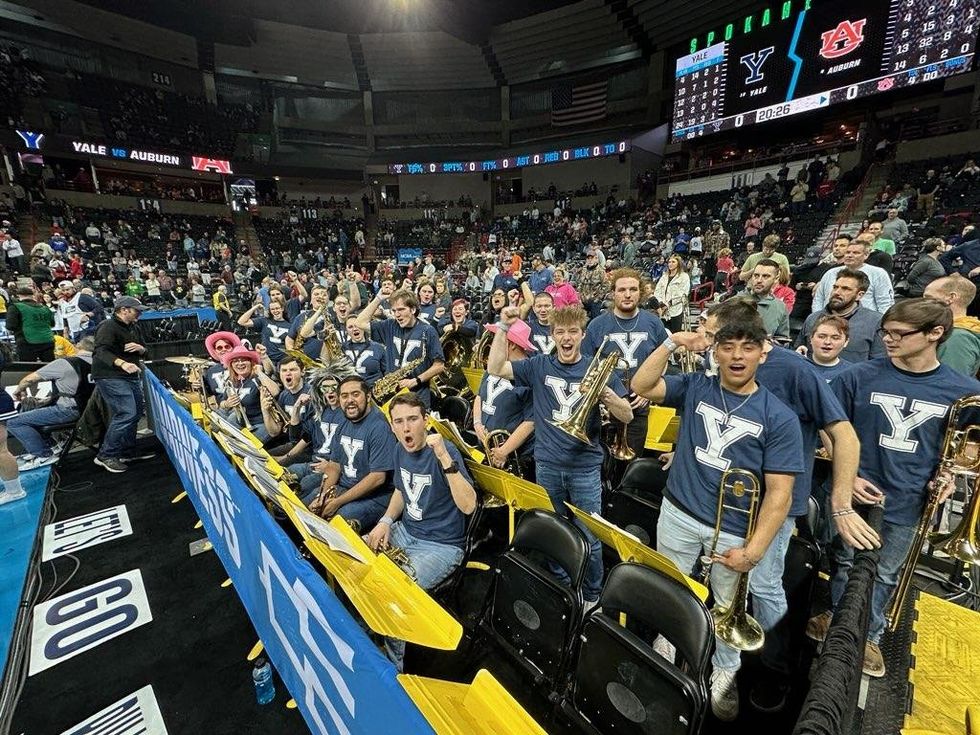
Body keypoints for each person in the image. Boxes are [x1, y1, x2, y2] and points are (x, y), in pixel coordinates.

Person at [631, 319, 804, 722]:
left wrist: (755, 550)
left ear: (764, 352)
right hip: (677, 513)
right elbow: (641, 385)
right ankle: (669, 645)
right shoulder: (696, 386)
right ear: (715, 351)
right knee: (670, 587)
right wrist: (672, 341)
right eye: (727, 346)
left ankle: (725, 671)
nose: (737, 355)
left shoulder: (779, 417)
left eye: (748, 346)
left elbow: (780, 495)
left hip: (733, 528)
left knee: (728, 609)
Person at [807, 299, 980, 678]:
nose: (888, 339)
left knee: (886, 573)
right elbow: (831, 428)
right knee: (845, 563)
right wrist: (846, 475)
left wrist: (952, 473)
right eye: (886, 331)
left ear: (935, 334)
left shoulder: (964, 390)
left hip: (911, 496)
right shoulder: (860, 375)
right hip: (855, 490)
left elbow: (968, 445)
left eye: (900, 334)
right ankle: (838, 624)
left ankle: (869, 634)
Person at [699, 299, 857, 713]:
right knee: (722, 585)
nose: (721, 347)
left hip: (776, 502)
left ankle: (772, 670)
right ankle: (721, 657)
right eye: (719, 341)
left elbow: (844, 435)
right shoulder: (715, 368)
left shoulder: (795, 369)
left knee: (767, 586)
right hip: (724, 503)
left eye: (715, 333)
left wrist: (841, 500)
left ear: (757, 341)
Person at [488, 305, 633, 607]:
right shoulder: (539, 365)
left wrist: (606, 394)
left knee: (590, 539)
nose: (566, 338)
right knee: (556, 533)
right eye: (560, 332)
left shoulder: (598, 366)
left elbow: (627, 415)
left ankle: (592, 596)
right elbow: (496, 368)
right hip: (547, 466)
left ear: (582, 335)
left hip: (585, 469)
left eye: (573, 332)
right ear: (552, 335)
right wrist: (502, 328)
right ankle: (563, 586)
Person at [363, 392, 477, 671]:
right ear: (391, 426)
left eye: (412, 419)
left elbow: (469, 506)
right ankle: (367, 635)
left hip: (442, 545)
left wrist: (443, 457)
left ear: (425, 421)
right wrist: (386, 522)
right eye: (399, 421)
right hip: (407, 531)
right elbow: (401, 490)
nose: (406, 428)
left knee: (394, 590)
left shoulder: (444, 452)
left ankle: (392, 667)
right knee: (362, 557)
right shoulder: (399, 448)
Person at [584, 268, 668, 456]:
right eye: (622, 290)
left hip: (641, 406)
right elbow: (587, 364)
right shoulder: (596, 324)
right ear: (613, 292)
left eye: (633, 289)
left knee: (633, 464)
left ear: (641, 292)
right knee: (604, 465)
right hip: (606, 406)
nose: (628, 294)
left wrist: (650, 390)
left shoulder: (654, 323)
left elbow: (663, 359)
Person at [308, 376, 397, 530]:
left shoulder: (379, 427)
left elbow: (377, 478)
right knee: (305, 507)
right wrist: (321, 496)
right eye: (344, 396)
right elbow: (334, 466)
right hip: (344, 488)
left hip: (374, 497)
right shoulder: (344, 421)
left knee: (334, 523)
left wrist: (338, 502)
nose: (350, 400)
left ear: (368, 396)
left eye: (355, 394)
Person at [8, 336, 95, 469]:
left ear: (77, 346)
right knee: (34, 412)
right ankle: (52, 447)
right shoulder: (100, 364)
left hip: (69, 410)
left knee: (14, 421)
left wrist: (18, 390)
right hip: (92, 410)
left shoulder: (65, 363)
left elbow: (29, 380)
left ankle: (43, 454)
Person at [91, 296, 152, 473]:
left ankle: (127, 451)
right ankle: (106, 455)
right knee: (127, 412)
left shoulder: (134, 326)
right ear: (123, 309)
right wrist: (122, 363)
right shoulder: (107, 326)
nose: (139, 313)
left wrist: (141, 350)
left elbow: (145, 349)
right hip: (110, 375)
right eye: (136, 310)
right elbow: (101, 351)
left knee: (135, 413)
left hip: (130, 375)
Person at [354, 289, 445, 407]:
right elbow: (359, 322)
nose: (397, 314)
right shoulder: (390, 325)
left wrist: (415, 381)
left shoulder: (428, 331)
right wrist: (378, 299)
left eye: (401, 309)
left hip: (418, 395)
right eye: (394, 310)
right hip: (392, 394)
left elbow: (439, 366)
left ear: (413, 309)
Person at [473, 319, 535, 475]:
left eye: (497, 339)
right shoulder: (495, 365)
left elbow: (531, 421)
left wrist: (504, 451)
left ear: (511, 343)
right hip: (489, 447)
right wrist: (477, 423)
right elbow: (479, 396)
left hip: (514, 457)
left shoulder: (529, 374)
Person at [796, 269, 886, 363]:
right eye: (835, 287)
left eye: (845, 289)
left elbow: (879, 363)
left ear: (859, 295)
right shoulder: (813, 318)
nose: (837, 292)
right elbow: (798, 353)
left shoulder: (875, 321)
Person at [811, 236, 894, 313]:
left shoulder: (878, 273)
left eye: (855, 253)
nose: (850, 255)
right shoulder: (830, 273)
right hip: (829, 321)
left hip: (864, 323)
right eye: (848, 252)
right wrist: (818, 317)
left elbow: (885, 303)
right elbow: (818, 299)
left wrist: (878, 325)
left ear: (866, 255)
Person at [924, 275, 980, 377]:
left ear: (951, 297)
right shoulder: (956, 331)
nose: (923, 303)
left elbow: (952, 383)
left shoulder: (957, 337)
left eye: (928, 297)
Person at [7, 285, 55, 362]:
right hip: (48, 340)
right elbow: (52, 324)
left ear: (18, 295)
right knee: (49, 367)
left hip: (27, 341)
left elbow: (10, 325)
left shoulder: (15, 307)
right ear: (32, 295)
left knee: (28, 368)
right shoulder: (45, 308)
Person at [800, 314, 853, 382]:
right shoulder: (796, 367)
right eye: (821, 336)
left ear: (846, 342)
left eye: (835, 338)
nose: (827, 342)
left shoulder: (852, 373)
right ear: (811, 339)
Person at [238, 299, 291, 366]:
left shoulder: (290, 326)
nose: (275, 311)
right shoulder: (264, 321)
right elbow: (241, 322)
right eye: (272, 309)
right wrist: (255, 307)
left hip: (282, 361)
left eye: (277, 308)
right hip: (265, 359)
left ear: (282, 308)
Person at [747, 259, 790, 340]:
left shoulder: (780, 307)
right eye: (756, 275)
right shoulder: (735, 302)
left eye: (765, 276)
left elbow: (782, 339)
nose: (759, 280)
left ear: (776, 279)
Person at [342, 316, 386, 388]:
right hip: (351, 389)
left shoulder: (378, 348)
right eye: (350, 327)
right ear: (346, 331)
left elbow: (386, 372)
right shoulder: (342, 348)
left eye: (357, 325)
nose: (355, 329)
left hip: (374, 389)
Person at [653, 255, 690, 332]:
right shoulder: (664, 276)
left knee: (675, 335)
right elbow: (657, 291)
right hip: (663, 311)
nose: (670, 264)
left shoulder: (684, 277)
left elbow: (683, 294)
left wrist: (669, 304)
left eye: (673, 262)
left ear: (678, 264)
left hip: (676, 310)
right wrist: (661, 303)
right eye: (669, 262)